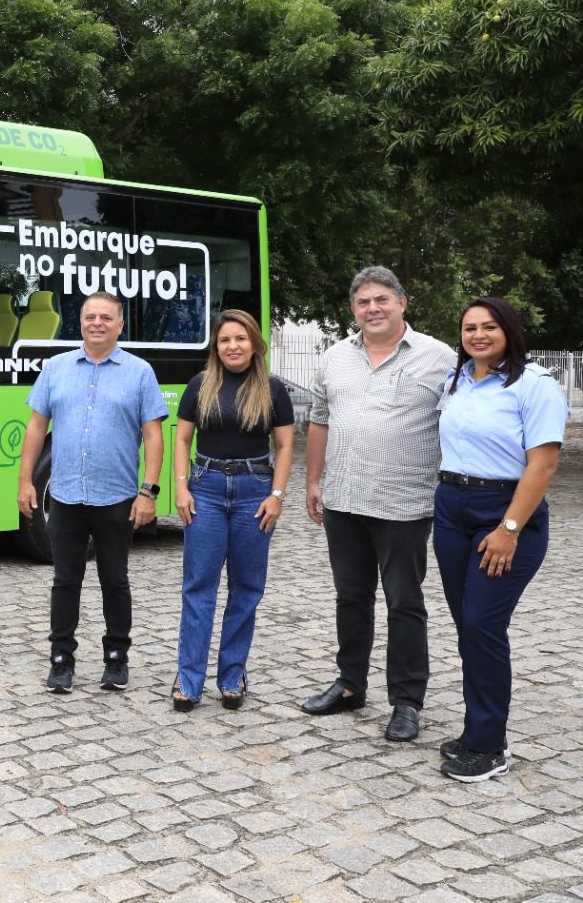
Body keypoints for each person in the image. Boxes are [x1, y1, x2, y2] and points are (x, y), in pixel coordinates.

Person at [302, 266, 455, 741]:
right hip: (344, 500)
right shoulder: (334, 358)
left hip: (405, 505)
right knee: (351, 598)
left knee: (405, 603)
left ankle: (407, 701)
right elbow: (320, 420)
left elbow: (461, 423)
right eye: (364, 302)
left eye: (382, 300)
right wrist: (312, 481)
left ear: (402, 302)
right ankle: (350, 684)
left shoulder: (440, 358)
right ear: (354, 310)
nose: (373, 308)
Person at [433, 297, 564, 782]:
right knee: (468, 627)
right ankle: (475, 731)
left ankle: (489, 747)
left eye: (489, 326)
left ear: (509, 329)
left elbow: (544, 463)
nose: (478, 335)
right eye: (469, 328)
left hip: (507, 513)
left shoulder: (534, 385)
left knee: (482, 624)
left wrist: (508, 529)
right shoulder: (457, 381)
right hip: (451, 507)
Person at [17, 291, 168, 694]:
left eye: (106, 317)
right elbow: (35, 427)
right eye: (90, 317)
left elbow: (154, 435)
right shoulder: (57, 368)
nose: (97, 323)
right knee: (65, 581)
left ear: (120, 325)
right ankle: (61, 660)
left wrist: (148, 492)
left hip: (117, 498)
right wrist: (25, 481)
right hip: (65, 496)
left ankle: (116, 659)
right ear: (80, 323)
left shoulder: (139, 373)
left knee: (114, 580)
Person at [171, 310, 294, 711]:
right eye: (225, 340)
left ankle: (232, 675)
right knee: (198, 587)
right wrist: (181, 487)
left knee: (246, 589)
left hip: (253, 492)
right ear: (216, 346)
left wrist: (277, 494)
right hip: (204, 490)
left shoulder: (273, 390)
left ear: (254, 343)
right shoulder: (200, 385)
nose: (233, 346)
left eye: (240, 339)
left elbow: (286, 446)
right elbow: (182, 439)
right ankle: (188, 679)